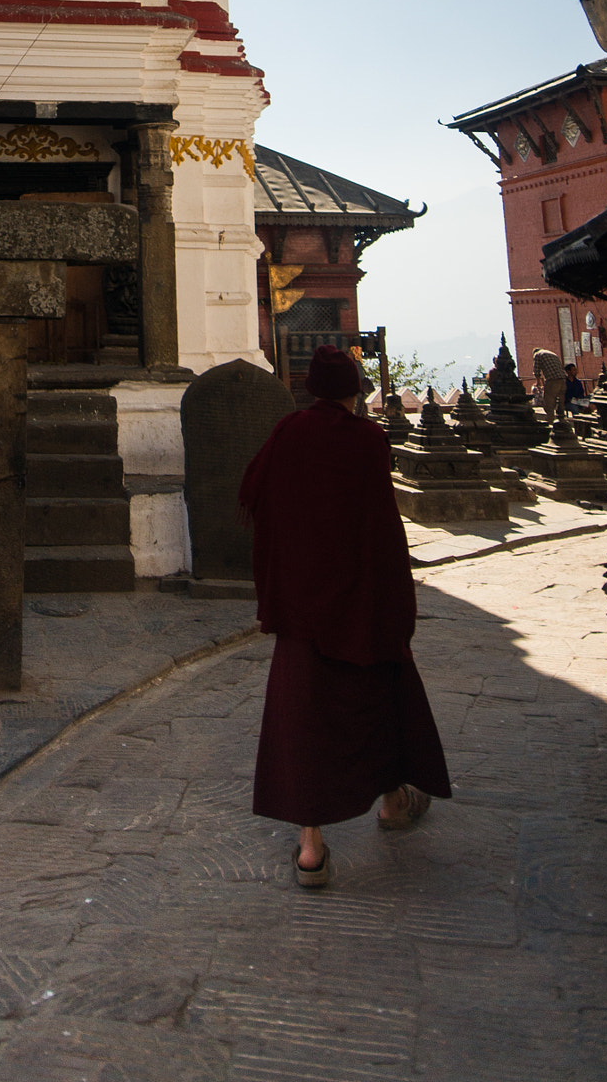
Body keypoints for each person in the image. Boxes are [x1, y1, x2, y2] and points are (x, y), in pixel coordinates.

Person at [240, 343, 451, 890]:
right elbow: (381, 526)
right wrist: (395, 599)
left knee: (305, 715)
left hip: (303, 605)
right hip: (360, 600)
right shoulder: (369, 440)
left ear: (310, 388)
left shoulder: (287, 435)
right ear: (355, 391)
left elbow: (254, 497)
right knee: (380, 692)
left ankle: (311, 847)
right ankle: (392, 801)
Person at [533, 348, 566, 425]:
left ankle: (551, 423)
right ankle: (562, 424)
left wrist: (538, 382)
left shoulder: (537, 355)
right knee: (560, 403)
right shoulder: (552, 354)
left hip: (552, 380)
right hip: (563, 380)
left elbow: (536, 370)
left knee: (549, 404)